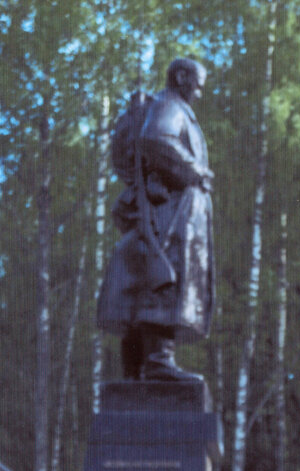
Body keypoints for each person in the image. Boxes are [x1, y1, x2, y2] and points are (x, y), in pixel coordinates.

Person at [98, 58, 215, 382]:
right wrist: (195, 170)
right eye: (198, 83)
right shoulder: (170, 106)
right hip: (170, 212)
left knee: (144, 283)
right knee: (162, 281)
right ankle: (157, 361)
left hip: (163, 210)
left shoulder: (168, 105)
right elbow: (156, 138)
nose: (200, 93)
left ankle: (136, 369)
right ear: (181, 77)